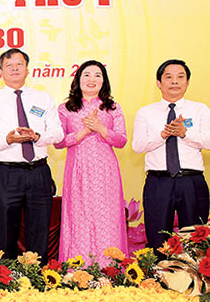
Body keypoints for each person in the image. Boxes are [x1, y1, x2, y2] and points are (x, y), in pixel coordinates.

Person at [0, 50, 63, 259]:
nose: (15, 69)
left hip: (38, 171)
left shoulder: (42, 98)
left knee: (39, 229)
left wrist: (37, 137)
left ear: (27, 69)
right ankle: (8, 273)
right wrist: (7, 140)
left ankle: (38, 273)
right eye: (9, 65)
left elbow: (57, 132)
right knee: (7, 230)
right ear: (0, 72)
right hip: (7, 173)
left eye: (19, 64)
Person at [54, 61, 127, 264]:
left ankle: (109, 268)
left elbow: (121, 140)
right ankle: (78, 269)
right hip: (78, 172)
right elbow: (58, 142)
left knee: (107, 219)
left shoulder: (112, 108)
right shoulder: (66, 108)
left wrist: (101, 128)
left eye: (97, 75)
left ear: (104, 81)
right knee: (79, 218)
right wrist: (85, 131)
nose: (92, 79)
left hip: (105, 173)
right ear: (78, 79)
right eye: (87, 75)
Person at [132, 59, 210, 247]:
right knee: (158, 241)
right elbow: (138, 146)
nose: (175, 81)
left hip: (191, 181)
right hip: (158, 182)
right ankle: (158, 267)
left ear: (187, 82)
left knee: (194, 241)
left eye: (180, 77)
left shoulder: (200, 109)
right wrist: (163, 135)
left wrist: (184, 133)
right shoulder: (146, 112)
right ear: (159, 83)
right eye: (169, 77)